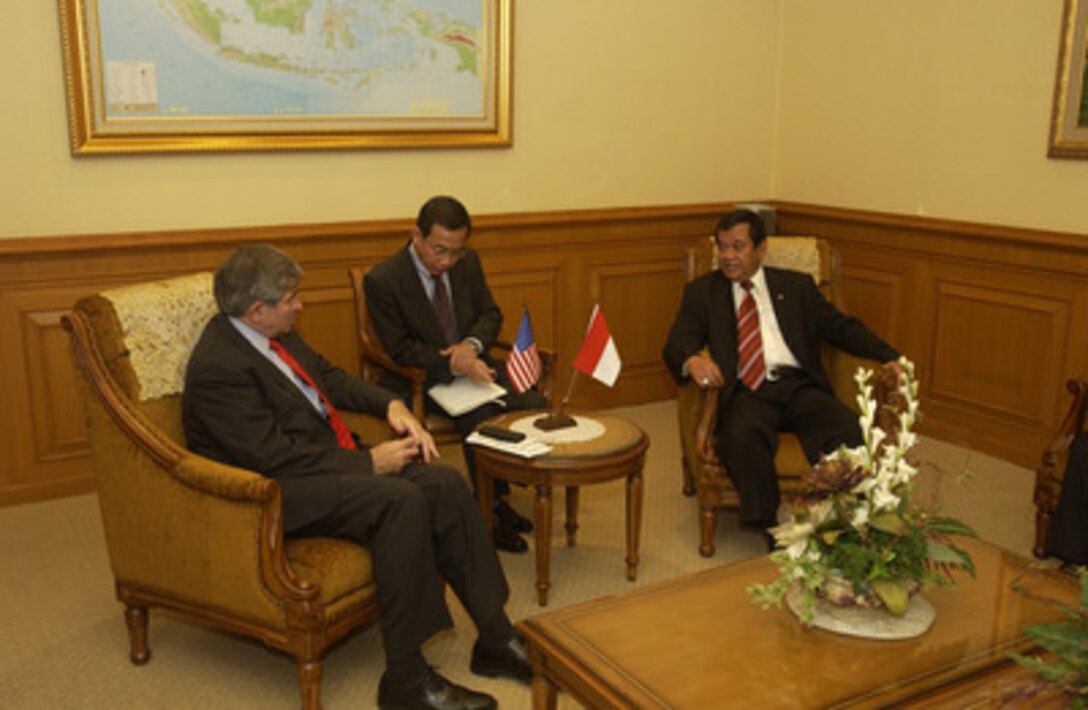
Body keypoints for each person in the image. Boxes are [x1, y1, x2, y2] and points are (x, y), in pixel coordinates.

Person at [183, 244, 529, 710]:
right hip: (273, 492)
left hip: (321, 464)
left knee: (442, 483)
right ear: (256, 309)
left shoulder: (273, 332)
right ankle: (406, 680)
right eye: (291, 299)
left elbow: (327, 376)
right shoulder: (218, 368)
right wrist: (369, 464)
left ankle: (495, 637)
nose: (300, 305)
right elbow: (271, 458)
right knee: (399, 501)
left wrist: (390, 403)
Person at [662, 209, 902, 544]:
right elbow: (678, 340)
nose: (727, 256)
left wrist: (889, 356)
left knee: (848, 429)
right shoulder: (703, 292)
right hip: (745, 389)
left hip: (796, 385)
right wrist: (691, 360)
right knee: (741, 435)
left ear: (760, 250)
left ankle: (850, 517)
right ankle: (770, 527)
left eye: (737, 247)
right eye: (722, 247)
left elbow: (842, 328)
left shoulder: (796, 287)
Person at [364, 196, 546, 553]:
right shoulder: (384, 279)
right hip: (422, 377)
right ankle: (488, 512)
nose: (446, 262)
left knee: (531, 401)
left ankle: (501, 494)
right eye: (439, 251)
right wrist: (450, 362)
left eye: (456, 252)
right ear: (416, 234)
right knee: (480, 418)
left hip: (474, 365)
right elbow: (399, 348)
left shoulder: (469, 262)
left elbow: (490, 314)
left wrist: (473, 345)